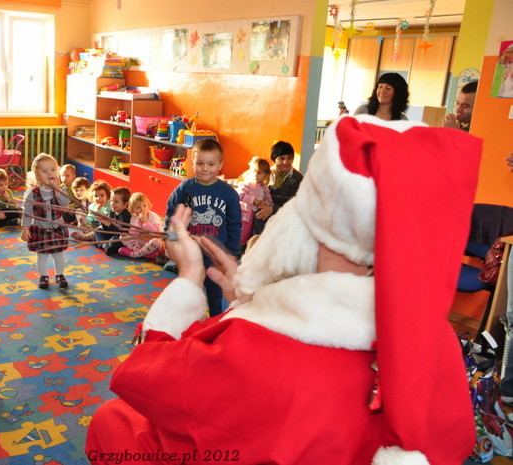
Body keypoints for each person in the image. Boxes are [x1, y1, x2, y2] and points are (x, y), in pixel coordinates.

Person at [86, 115, 480, 465]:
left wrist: (189, 277)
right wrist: (248, 303)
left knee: (113, 422)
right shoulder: (437, 349)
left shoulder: (254, 348)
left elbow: (143, 378)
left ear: (309, 229)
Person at [166, 138, 241, 317]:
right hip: (190, 256)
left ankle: (215, 323)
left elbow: (235, 224)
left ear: (220, 164)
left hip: (216, 256)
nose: (205, 168)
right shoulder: (184, 189)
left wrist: (231, 252)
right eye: (200, 163)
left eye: (211, 164)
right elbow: (171, 214)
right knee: (190, 297)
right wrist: (171, 240)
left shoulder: (229, 193)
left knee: (216, 298)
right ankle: (191, 323)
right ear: (192, 162)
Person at [21, 153, 72, 290]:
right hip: (40, 229)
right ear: (37, 174)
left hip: (57, 228)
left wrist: (58, 190)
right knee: (42, 256)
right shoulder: (32, 193)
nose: (50, 173)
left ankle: (60, 274)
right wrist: (25, 228)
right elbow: (27, 212)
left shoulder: (60, 190)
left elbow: (65, 203)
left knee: (58, 254)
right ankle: (43, 276)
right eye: (45, 171)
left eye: (53, 170)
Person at [253, 141, 303, 235]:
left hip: (288, 214)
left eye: (289, 158)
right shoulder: (266, 174)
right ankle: (257, 242)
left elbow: (295, 205)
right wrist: (262, 203)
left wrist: (272, 209)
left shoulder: (298, 178)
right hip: (268, 210)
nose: (286, 162)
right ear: (274, 159)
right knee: (257, 215)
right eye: (281, 158)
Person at [235, 156, 272, 245]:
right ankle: (237, 249)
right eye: (253, 172)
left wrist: (265, 204)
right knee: (241, 237)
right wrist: (253, 200)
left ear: (266, 175)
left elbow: (269, 201)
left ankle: (246, 249)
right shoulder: (248, 184)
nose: (255, 175)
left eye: (259, 173)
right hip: (244, 217)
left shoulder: (265, 188)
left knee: (250, 237)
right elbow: (239, 195)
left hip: (255, 219)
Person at [119, 192, 164, 259]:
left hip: (152, 243)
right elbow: (133, 235)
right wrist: (139, 222)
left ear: (148, 205)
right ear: (133, 210)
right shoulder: (134, 217)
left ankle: (134, 254)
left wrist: (146, 222)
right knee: (122, 236)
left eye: (144, 206)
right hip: (140, 243)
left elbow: (158, 234)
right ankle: (145, 253)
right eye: (138, 207)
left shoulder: (153, 216)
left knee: (156, 242)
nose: (142, 209)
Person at [95, 186, 132, 256]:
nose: (112, 203)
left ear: (125, 204)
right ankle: (104, 245)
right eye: (111, 201)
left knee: (115, 239)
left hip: (121, 237)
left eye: (116, 202)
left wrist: (108, 224)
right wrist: (103, 222)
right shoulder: (113, 212)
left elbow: (121, 232)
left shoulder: (126, 215)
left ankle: (107, 246)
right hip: (112, 234)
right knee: (98, 231)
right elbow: (107, 229)